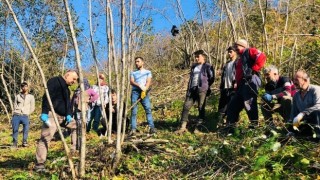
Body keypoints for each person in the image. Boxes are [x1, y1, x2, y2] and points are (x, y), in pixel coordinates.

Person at [34, 70, 78, 172]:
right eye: (73, 79)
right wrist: (44, 112)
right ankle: (40, 164)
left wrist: (69, 115)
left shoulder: (67, 89)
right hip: (52, 116)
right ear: (67, 75)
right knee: (46, 137)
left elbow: (67, 104)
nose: (74, 81)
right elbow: (46, 96)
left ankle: (73, 150)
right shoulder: (54, 81)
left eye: (76, 80)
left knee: (77, 125)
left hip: (63, 117)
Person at [226, 39, 266, 129]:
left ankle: (254, 128)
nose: (235, 48)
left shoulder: (249, 51)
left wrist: (253, 70)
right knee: (232, 106)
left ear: (243, 46)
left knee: (249, 105)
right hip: (241, 85)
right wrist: (237, 84)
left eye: (237, 46)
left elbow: (262, 56)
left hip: (250, 82)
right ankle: (230, 128)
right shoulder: (240, 58)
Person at [176, 50, 215, 133]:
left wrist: (206, 86)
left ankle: (199, 127)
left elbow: (211, 78)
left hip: (202, 89)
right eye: (196, 57)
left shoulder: (208, 66)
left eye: (198, 56)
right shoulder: (194, 66)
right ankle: (182, 126)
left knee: (201, 107)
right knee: (186, 107)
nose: (196, 58)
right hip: (192, 89)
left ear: (203, 57)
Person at [129, 57, 156, 135]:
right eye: (136, 62)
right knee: (134, 111)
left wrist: (145, 89)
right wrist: (139, 85)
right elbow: (132, 81)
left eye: (138, 61)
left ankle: (152, 127)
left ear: (142, 62)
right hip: (135, 92)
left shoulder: (148, 72)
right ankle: (133, 129)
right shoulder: (133, 72)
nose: (136, 63)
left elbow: (148, 81)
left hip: (144, 92)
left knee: (148, 109)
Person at [290, 70, 320, 138]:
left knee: (316, 113)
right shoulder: (296, 96)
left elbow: (319, 105)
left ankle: (318, 136)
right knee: (294, 133)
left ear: (305, 80)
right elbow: (293, 113)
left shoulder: (316, 90)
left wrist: (302, 113)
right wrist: (291, 127)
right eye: (293, 80)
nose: (294, 82)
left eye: (297, 80)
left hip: (317, 121)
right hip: (306, 122)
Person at [71, 78, 98, 149]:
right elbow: (73, 100)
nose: (80, 83)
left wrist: (90, 101)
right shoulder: (77, 90)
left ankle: (84, 135)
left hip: (86, 109)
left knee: (86, 121)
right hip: (77, 109)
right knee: (78, 122)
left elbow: (96, 96)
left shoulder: (89, 90)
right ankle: (78, 138)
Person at [11, 82, 35, 148]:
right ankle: (14, 143)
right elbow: (15, 105)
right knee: (15, 129)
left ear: (27, 87)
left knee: (26, 129)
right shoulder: (18, 96)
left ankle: (24, 142)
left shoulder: (31, 97)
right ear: (21, 88)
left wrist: (28, 113)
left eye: (26, 86)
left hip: (25, 115)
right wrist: (15, 111)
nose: (24, 88)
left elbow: (32, 107)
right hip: (16, 115)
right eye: (23, 87)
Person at [217, 46, 238, 123]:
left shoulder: (238, 62)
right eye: (228, 52)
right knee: (222, 106)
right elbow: (223, 76)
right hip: (225, 88)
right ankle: (220, 122)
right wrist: (221, 86)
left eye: (231, 52)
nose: (229, 53)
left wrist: (236, 82)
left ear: (235, 52)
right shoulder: (227, 64)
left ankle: (232, 124)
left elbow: (239, 74)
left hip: (233, 88)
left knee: (232, 106)